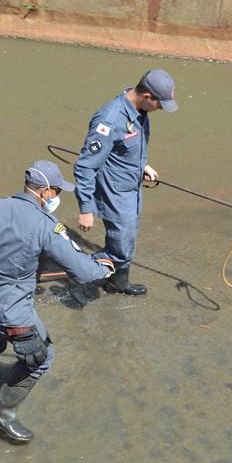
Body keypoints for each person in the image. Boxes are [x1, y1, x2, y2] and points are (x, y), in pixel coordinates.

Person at [0, 160, 114, 444]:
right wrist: (103, 267)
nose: (56, 198)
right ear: (45, 192)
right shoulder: (47, 226)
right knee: (40, 359)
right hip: (10, 308)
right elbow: (81, 271)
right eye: (56, 192)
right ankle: (0, 415)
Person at [73, 69, 179, 295]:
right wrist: (86, 208)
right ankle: (73, 268)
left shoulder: (139, 111)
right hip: (114, 192)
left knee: (126, 238)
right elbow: (85, 165)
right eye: (160, 104)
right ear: (148, 96)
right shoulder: (110, 120)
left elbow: (127, 149)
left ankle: (117, 282)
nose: (160, 109)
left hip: (131, 188)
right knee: (121, 249)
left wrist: (143, 166)